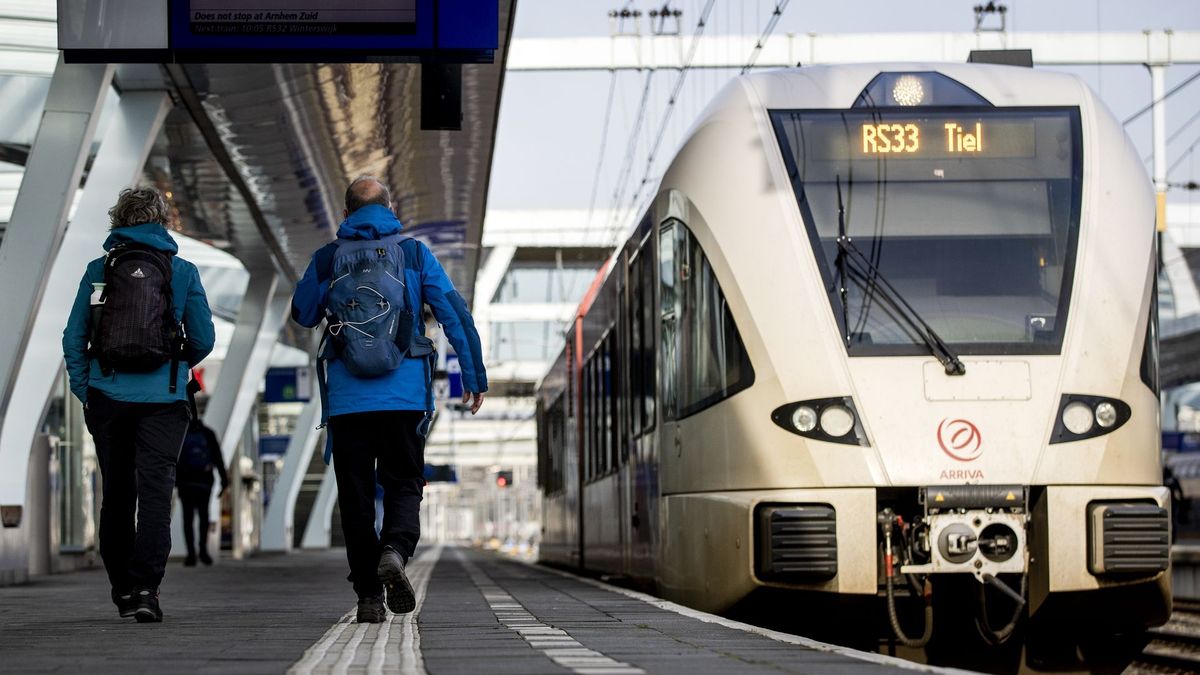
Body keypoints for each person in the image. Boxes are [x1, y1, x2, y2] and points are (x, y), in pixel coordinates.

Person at [291, 176, 487, 623]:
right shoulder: (413, 253)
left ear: (346, 213)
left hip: (348, 400)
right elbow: (455, 312)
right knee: (403, 483)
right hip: (403, 397)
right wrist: (473, 375)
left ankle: (368, 598)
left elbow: (302, 313)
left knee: (356, 497)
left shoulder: (328, 257)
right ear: (390, 208)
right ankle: (396, 550)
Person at [62, 186, 215, 623]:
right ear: (161, 221)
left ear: (118, 222)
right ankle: (148, 588)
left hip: (108, 399)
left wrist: (86, 388)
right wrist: (175, 363)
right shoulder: (181, 271)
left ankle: (123, 589)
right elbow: (203, 338)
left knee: (117, 496)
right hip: (164, 402)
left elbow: (74, 338)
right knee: (154, 494)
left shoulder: (98, 272)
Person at [176, 380, 229, 567]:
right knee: (204, 517)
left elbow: (172, 458)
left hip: (185, 482)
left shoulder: (180, 433)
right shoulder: (208, 433)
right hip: (204, 481)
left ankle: (191, 554)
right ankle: (203, 552)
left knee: (188, 518)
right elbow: (218, 457)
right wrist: (224, 479)